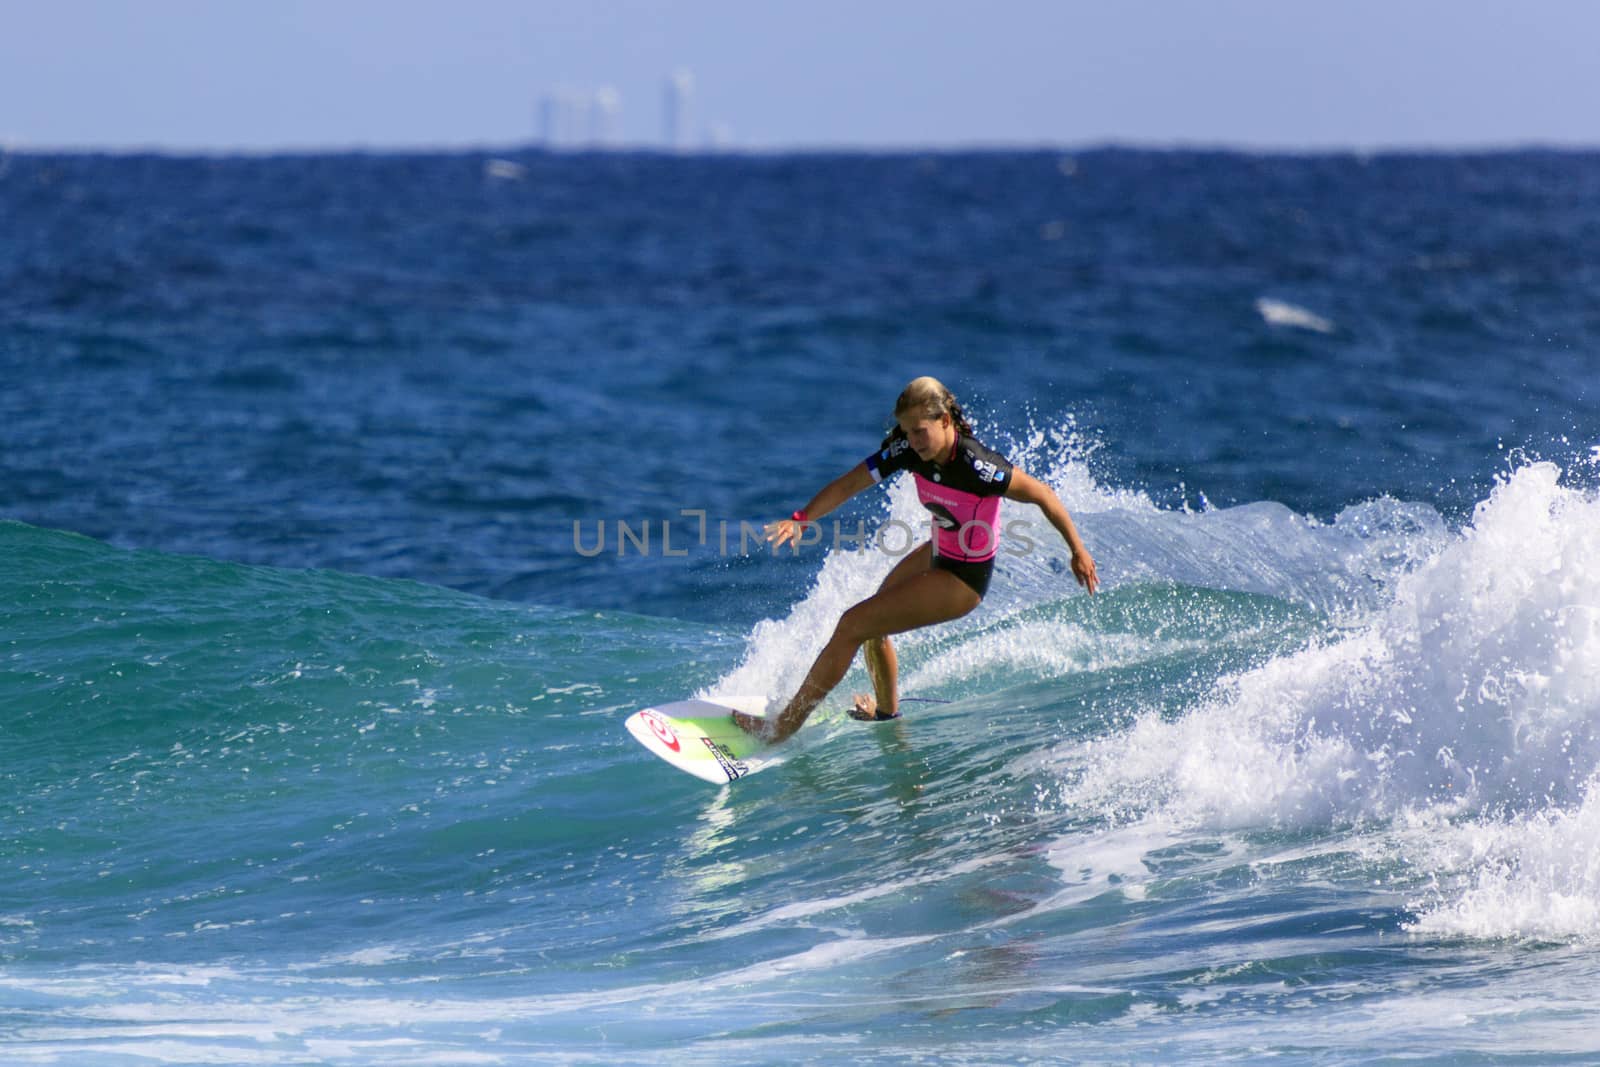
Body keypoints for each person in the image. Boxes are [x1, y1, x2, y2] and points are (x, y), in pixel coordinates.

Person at [733, 376, 1098, 744]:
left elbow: (1044, 495)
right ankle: (888, 716)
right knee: (873, 625)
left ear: (945, 420)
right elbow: (849, 484)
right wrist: (802, 518)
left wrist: (1078, 551)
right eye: (907, 431)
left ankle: (784, 726)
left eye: (920, 431)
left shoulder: (977, 465)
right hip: (939, 550)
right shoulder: (908, 450)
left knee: (852, 624)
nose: (913, 441)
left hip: (963, 579)